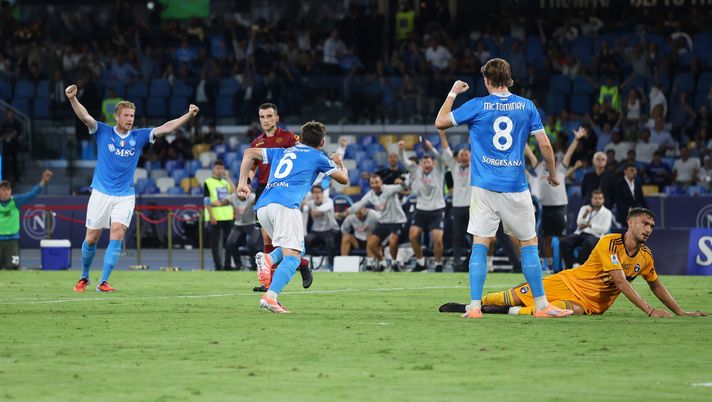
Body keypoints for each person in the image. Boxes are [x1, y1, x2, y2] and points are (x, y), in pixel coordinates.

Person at [434, 58, 573, 318]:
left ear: (487, 80)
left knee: (480, 242)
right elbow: (544, 145)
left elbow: (440, 122)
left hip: (484, 187)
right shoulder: (526, 106)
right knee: (529, 243)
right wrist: (553, 175)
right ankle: (542, 306)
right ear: (509, 79)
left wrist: (453, 91)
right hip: (515, 187)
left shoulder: (477, 105)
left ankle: (475, 307)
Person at [439, 209, 708, 318]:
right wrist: (650, 312)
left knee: (557, 314)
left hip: (591, 305)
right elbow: (619, 281)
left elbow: (657, 286)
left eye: (651, 225)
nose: (648, 229)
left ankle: (495, 312)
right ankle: (468, 306)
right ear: (630, 223)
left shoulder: (646, 257)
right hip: (566, 282)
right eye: (644, 223)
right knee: (510, 296)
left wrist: (681, 312)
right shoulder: (609, 244)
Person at [66, 83, 199, 292]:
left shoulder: (139, 136)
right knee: (91, 238)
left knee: (117, 232)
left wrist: (187, 116)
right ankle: (84, 276)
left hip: (125, 196)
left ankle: (103, 281)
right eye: (126, 115)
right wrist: (73, 99)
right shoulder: (102, 131)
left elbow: (166, 127)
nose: (130, 119)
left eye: (132, 116)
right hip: (100, 192)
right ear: (117, 117)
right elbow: (85, 117)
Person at [236, 121, 348, 313]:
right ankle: (270, 296)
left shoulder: (282, 151)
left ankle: (270, 259)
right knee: (293, 257)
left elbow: (248, 153)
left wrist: (241, 184)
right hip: (285, 206)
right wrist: (340, 163)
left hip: (263, 206)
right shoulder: (318, 156)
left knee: (297, 249)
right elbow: (344, 179)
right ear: (321, 143)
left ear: (300, 138)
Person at [249, 103, 312, 290]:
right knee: (268, 239)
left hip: (284, 190)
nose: (266, 120)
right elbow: (252, 165)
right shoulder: (256, 143)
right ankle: (269, 281)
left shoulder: (289, 138)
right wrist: (246, 182)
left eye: (269, 116)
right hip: (264, 190)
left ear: (277, 118)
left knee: (285, 241)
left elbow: (303, 155)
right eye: (262, 117)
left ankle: (302, 264)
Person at [337, 174, 408, 271]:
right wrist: (343, 214)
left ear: (381, 183)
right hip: (383, 222)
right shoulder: (370, 195)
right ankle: (382, 263)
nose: (374, 185)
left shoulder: (389, 189)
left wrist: (402, 183)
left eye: (376, 182)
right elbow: (358, 206)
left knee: (393, 240)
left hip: (397, 220)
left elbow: (403, 188)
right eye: (372, 183)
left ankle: (395, 263)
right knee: (371, 243)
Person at [398, 139, 447, 272]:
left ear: (433, 163)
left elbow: (440, 158)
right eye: (424, 162)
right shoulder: (416, 170)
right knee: (413, 235)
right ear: (420, 164)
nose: (427, 164)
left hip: (437, 209)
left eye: (429, 161)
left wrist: (431, 149)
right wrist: (401, 150)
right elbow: (404, 161)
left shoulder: (439, 170)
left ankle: (438, 264)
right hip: (421, 209)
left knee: (437, 239)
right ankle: (421, 262)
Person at [0, 170, 53, 270]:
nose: (6, 192)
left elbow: (31, 194)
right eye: (3, 189)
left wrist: (43, 181)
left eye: (8, 189)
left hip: (12, 241)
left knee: (13, 268)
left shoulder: (15, 201)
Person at [438, 129, 471, 272]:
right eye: (461, 154)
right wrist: (442, 134)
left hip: (472, 206)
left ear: (470, 156)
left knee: (475, 238)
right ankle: (457, 263)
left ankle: (469, 262)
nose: (463, 157)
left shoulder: (476, 166)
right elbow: (446, 149)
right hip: (457, 207)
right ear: (458, 157)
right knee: (457, 236)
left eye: (466, 154)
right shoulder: (454, 165)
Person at [560, 190, 613, 269]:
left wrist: (590, 225)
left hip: (595, 236)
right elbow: (579, 223)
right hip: (580, 233)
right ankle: (572, 264)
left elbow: (604, 229)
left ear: (603, 200)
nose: (597, 200)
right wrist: (586, 213)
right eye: (595, 198)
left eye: (600, 198)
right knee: (564, 242)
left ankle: (580, 265)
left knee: (588, 243)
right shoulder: (585, 208)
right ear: (592, 199)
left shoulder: (607, 213)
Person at [210, 190, 260, 270]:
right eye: (239, 194)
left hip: (251, 224)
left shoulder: (252, 197)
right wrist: (210, 203)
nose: (241, 196)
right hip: (238, 225)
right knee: (230, 243)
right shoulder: (233, 197)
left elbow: (258, 202)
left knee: (253, 243)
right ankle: (238, 265)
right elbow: (221, 203)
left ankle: (254, 265)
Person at [203, 160, 235, 271]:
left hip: (227, 216)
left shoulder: (226, 183)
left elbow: (235, 193)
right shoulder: (208, 182)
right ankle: (218, 266)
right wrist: (211, 216)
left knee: (230, 242)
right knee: (215, 244)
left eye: (222, 168)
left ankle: (228, 264)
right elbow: (206, 200)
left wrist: (228, 178)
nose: (220, 170)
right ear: (213, 169)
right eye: (218, 168)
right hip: (215, 216)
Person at [303, 185, 339, 270]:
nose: (317, 195)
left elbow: (325, 208)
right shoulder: (310, 203)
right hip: (316, 231)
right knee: (305, 240)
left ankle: (331, 264)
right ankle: (307, 264)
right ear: (312, 194)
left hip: (331, 230)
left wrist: (316, 210)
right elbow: (304, 209)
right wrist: (303, 205)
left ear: (323, 194)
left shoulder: (329, 201)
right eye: (314, 192)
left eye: (319, 192)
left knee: (330, 241)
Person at [612, 162, 648, 227]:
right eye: (631, 170)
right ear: (625, 171)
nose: (634, 172)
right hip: (623, 217)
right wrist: (629, 209)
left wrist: (647, 211)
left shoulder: (637, 184)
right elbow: (618, 202)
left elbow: (642, 200)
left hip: (636, 217)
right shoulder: (618, 184)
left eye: (635, 170)